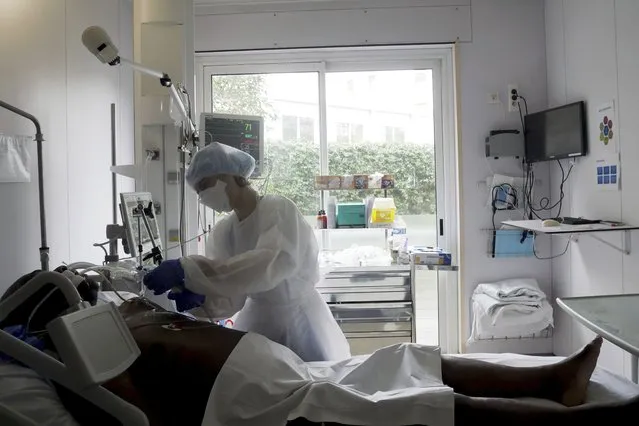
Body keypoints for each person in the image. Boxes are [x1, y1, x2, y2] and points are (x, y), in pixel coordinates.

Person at [1, 275, 638, 426]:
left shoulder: (99, 313)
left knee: (394, 358)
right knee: (380, 398)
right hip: (241, 389)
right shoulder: (49, 354)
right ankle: (556, 393)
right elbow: (122, 406)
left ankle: (553, 376)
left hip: (252, 364)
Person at [142, 142, 350, 362]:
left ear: (229, 174)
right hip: (259, 320)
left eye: (205, 185)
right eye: (198, 191)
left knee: (311, 385)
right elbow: (233, 296)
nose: (203, 196)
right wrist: (202, 301)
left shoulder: (277, 209)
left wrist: (189, 270)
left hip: (299, 319)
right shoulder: (224, 232)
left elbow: (268, 264)